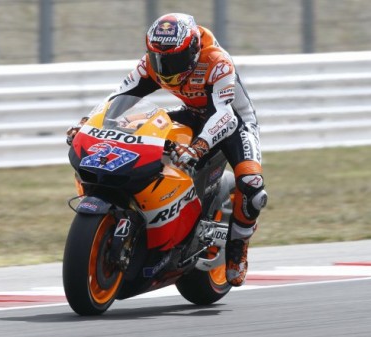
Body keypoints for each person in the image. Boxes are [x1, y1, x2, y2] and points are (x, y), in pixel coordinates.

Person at [67, 13, 267, 287]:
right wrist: (87, 124)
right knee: (137, 129)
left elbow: (226, 115)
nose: (163, 66)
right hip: (191, 114)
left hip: (234, 122)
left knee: (252, 184)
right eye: (158, 57)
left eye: (173, 59)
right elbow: (118, 97)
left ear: (193, 50)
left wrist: (198, 147)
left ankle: (237, 247)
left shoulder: (216, 62)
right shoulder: (151, 63)